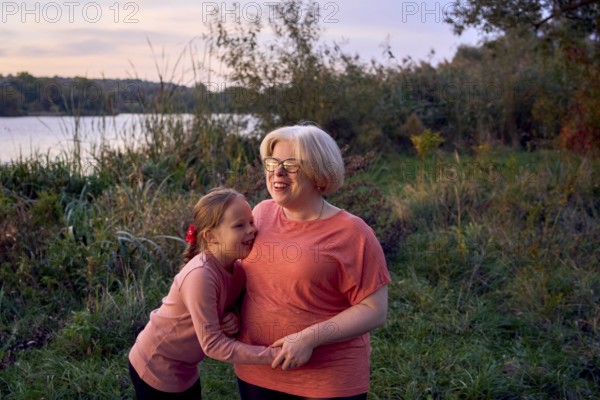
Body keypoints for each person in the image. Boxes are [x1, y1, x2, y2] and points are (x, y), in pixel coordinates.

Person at [234, 124, 391, 399]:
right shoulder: (259, 214)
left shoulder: (353, 233)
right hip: (256, 369)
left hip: (326, 381)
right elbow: (247, 280)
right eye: (272, 162)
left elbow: (374, 309)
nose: (277, 172)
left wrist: (309, 338)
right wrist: (229, 313)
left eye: (291, 164)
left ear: (318, 173)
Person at [128, 187, 281, 399]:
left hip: (186, 369)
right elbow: (213, 345)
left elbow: (230, 304)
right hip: (155, 365)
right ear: (211, 236)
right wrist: (274, 355)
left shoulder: (238, 270)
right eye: (239, 225)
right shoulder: (200, 276)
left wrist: (232, 315)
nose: (252, 230)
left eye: (251, 222)